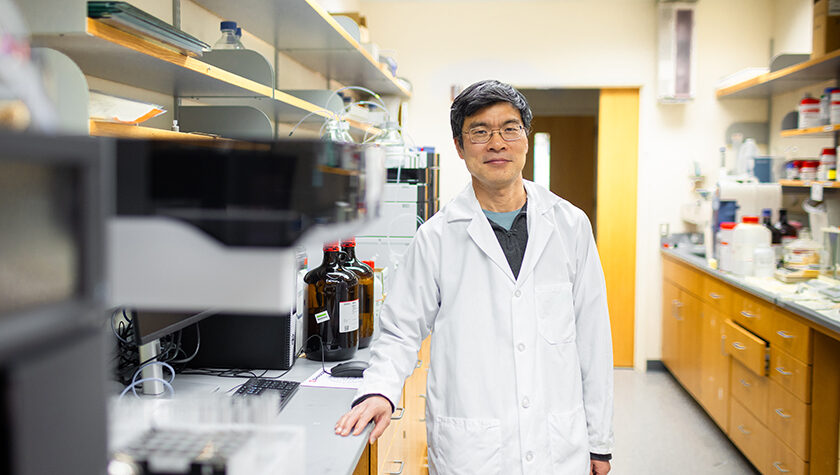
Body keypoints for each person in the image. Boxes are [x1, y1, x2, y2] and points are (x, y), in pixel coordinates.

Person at [335, 79, 614, 475]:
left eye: (509, 128)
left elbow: (593, 338)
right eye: (480, 132)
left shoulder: (570, 226)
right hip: (474, 450)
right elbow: (400, 331)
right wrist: (380, 390)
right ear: (460, 147)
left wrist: (599, 442)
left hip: (557, 445)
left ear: (526, 138)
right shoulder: (437, 237)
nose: (496, 143)